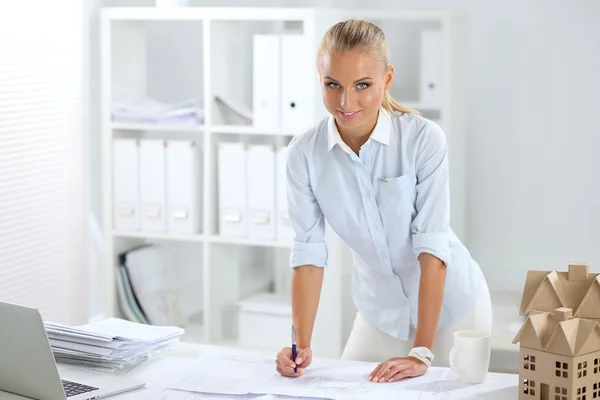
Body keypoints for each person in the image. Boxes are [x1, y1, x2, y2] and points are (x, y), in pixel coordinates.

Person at [274, 19, 492, 383]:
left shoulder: (423, 140)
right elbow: (309, 253)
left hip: (453, 310)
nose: (346, 101)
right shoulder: (305, 155)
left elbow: (433, 249)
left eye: (363, 85)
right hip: (379, 312)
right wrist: (300, 348)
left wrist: (421, 352)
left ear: (387, 78)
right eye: (333, 85)